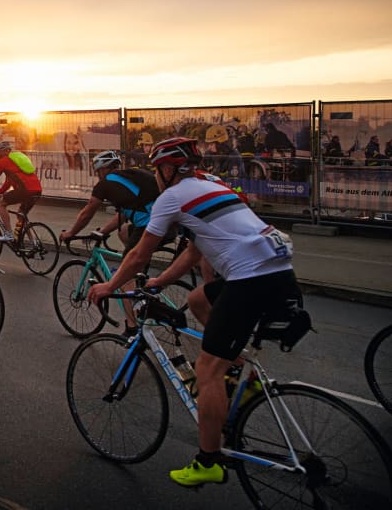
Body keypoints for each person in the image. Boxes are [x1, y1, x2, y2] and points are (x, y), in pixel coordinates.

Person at [87, 137, 303, 489]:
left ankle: (208, 461)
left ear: (168, 169)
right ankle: (238, 376)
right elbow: (193, 250)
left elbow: (139, 254)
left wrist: (110, 286)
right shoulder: (212, 184)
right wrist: (161, 279)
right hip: (280, 274)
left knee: (207, 368)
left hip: (250, 281)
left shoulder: (171, 197)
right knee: (200, 300)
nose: (156, 177)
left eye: (157, 170)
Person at [60, 150, 159, 252]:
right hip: (164, 222)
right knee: (123, 232)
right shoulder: (128, 177)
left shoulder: (104, 184)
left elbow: (86, 214)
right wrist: (102, 232)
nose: (98, 175)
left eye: (98, 171)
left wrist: (71, 233)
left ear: (103, 169)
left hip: (151, 226)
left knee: (130, 261)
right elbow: (124, 214)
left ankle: (138, 264)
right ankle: (143, 263)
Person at [0, 141, 43, 242]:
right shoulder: (17, 158)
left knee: (1, 202)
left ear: (6, 151)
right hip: (37, 190)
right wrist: (0, 191)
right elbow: (10, 180)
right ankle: (34, 243)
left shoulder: (3, 161)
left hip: (25, 190)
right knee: (21, 215)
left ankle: (8, 234)